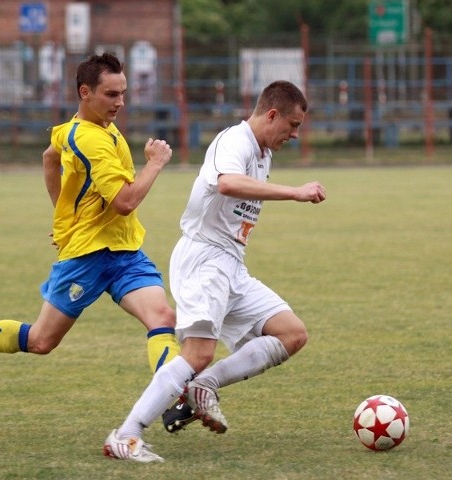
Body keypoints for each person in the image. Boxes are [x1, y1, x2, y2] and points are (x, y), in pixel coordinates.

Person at [0, 53, 180, 393]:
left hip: (125, 251)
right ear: (85, 92)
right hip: (87, 255)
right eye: (111, 95)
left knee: (162, 318)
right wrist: (155, 163)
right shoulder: (89, 138)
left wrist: (65, 219)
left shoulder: (90, 128)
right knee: (42, 341)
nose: (121, 102)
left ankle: (176, 398)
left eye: (122, 93)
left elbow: (49, 157)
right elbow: (126, 202)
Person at [104, 80, 327, 463]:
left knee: (291, 333)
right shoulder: (234, 142)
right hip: (204, 258)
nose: (294, 134)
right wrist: (295, 192)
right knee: (197, 353)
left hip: (231, 264)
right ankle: (126, 435)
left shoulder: (263, 153)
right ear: (271, 114)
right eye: (292, 125)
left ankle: (203, 387)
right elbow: (226, 184)